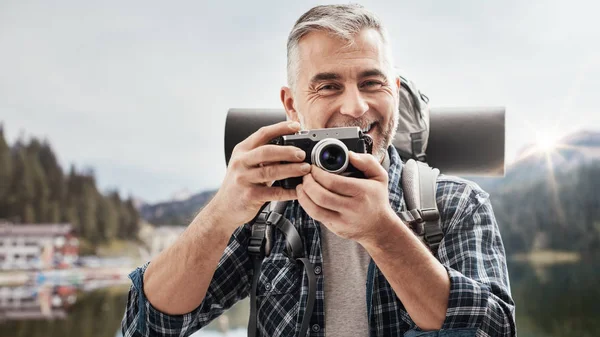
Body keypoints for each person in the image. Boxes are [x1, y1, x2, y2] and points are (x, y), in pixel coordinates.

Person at [121, 4, 516, 337]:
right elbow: (146, 327)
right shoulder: (267, 211)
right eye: (328, 86)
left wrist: (382, 231)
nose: (356, 107)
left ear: (393, 91)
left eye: (371, 82)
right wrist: (221, 213)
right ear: (292, 105)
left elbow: (494, 330)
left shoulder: (455, 203)